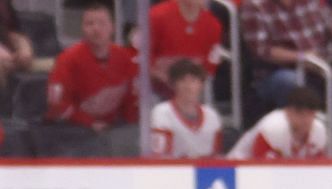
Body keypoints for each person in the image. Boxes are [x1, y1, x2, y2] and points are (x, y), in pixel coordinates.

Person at [45, 1, 137, 131]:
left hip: (112, 129)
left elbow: (132, 100)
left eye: (102, 23)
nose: (96, 29)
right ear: (83, 28)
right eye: (90, 23)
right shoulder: (67, 59)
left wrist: (132, 129)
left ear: (112, 27)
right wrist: (89, 122)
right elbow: (56, 104)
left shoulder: (124, 58)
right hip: (73, 130)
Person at [241, 0, 332, 109]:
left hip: (322, 65)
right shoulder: (255, 6)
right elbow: (261, 50)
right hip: (277, 71)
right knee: (289, 81)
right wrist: (302, 57)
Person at [228, 83, 330, 157]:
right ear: (287, 112)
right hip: (239, 168)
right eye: (300, 114)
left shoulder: (318, 131)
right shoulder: (273, 127)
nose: (305, 120)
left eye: (310, 114)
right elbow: (260, 167)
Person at [148, 0, 226, 92]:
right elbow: (141, 57)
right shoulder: (156, 16)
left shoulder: (214, 25)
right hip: (153, 89)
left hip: (193, 92)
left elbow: (210, 65)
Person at [149, 58, 222, 156]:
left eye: (193, 81)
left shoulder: (211, 115)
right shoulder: (162, 112)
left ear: (201, 84)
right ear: (173, 85)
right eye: (182, 81)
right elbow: (160, 156)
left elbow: (216, 156)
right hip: (173, 170)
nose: (188, 86)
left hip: (204, 170)